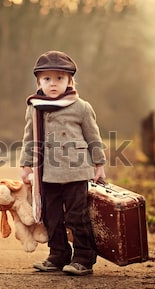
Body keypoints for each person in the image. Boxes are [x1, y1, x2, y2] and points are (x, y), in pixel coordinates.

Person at [19, 50, 106, 276]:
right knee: (52, 216)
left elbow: (93, 138)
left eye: (60, 78)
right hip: (47, 172)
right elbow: (29, 138)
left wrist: (99, 165)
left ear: (69, 81)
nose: (53, 83)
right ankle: (58, 254)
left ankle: (84, 257)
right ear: (39, 82)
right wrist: (26, 165)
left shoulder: (81, 107)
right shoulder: (34, 107)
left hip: (76, 171)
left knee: (77, 216)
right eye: (47, 79)